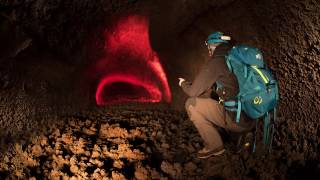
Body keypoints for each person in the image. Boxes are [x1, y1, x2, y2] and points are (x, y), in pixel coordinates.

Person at [179, 32, 255, 159]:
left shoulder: (217, 61)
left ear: (212, 46)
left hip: (238, 120)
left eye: (209, 47)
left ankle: (215, 146)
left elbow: (193, 92)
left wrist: (183, 83)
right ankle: (243, 133)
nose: (209, 50)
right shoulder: (236, 58)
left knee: (191, 103)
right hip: (253, 116)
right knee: (214, 97)